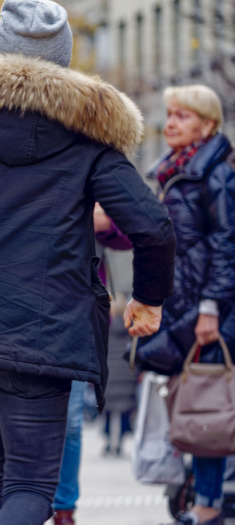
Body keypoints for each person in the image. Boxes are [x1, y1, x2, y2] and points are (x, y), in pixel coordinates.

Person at [0, 0, 175, 525]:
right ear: (62, 59)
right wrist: (149, 299)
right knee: (33, 488)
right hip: (45, 334)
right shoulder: (90, 142)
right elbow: (152, 225)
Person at [131, 85, 235, 525]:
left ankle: (208, 504)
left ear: (208, 125)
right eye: (170, 113)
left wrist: (211, 306)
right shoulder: (176, 172)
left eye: (184, 116)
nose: (171, 122)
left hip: (208, 313)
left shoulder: (216, 174)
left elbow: (226, 243)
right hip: (184, 309)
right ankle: (199, 497)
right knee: (195, 403)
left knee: (209, 406)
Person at [53, 206, 133, 525]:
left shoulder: (90, 168)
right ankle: (22, 496)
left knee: (71, 421)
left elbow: (138, 232)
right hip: (26, 310)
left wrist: (107, 222)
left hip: (78, 319)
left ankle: (64, 507)